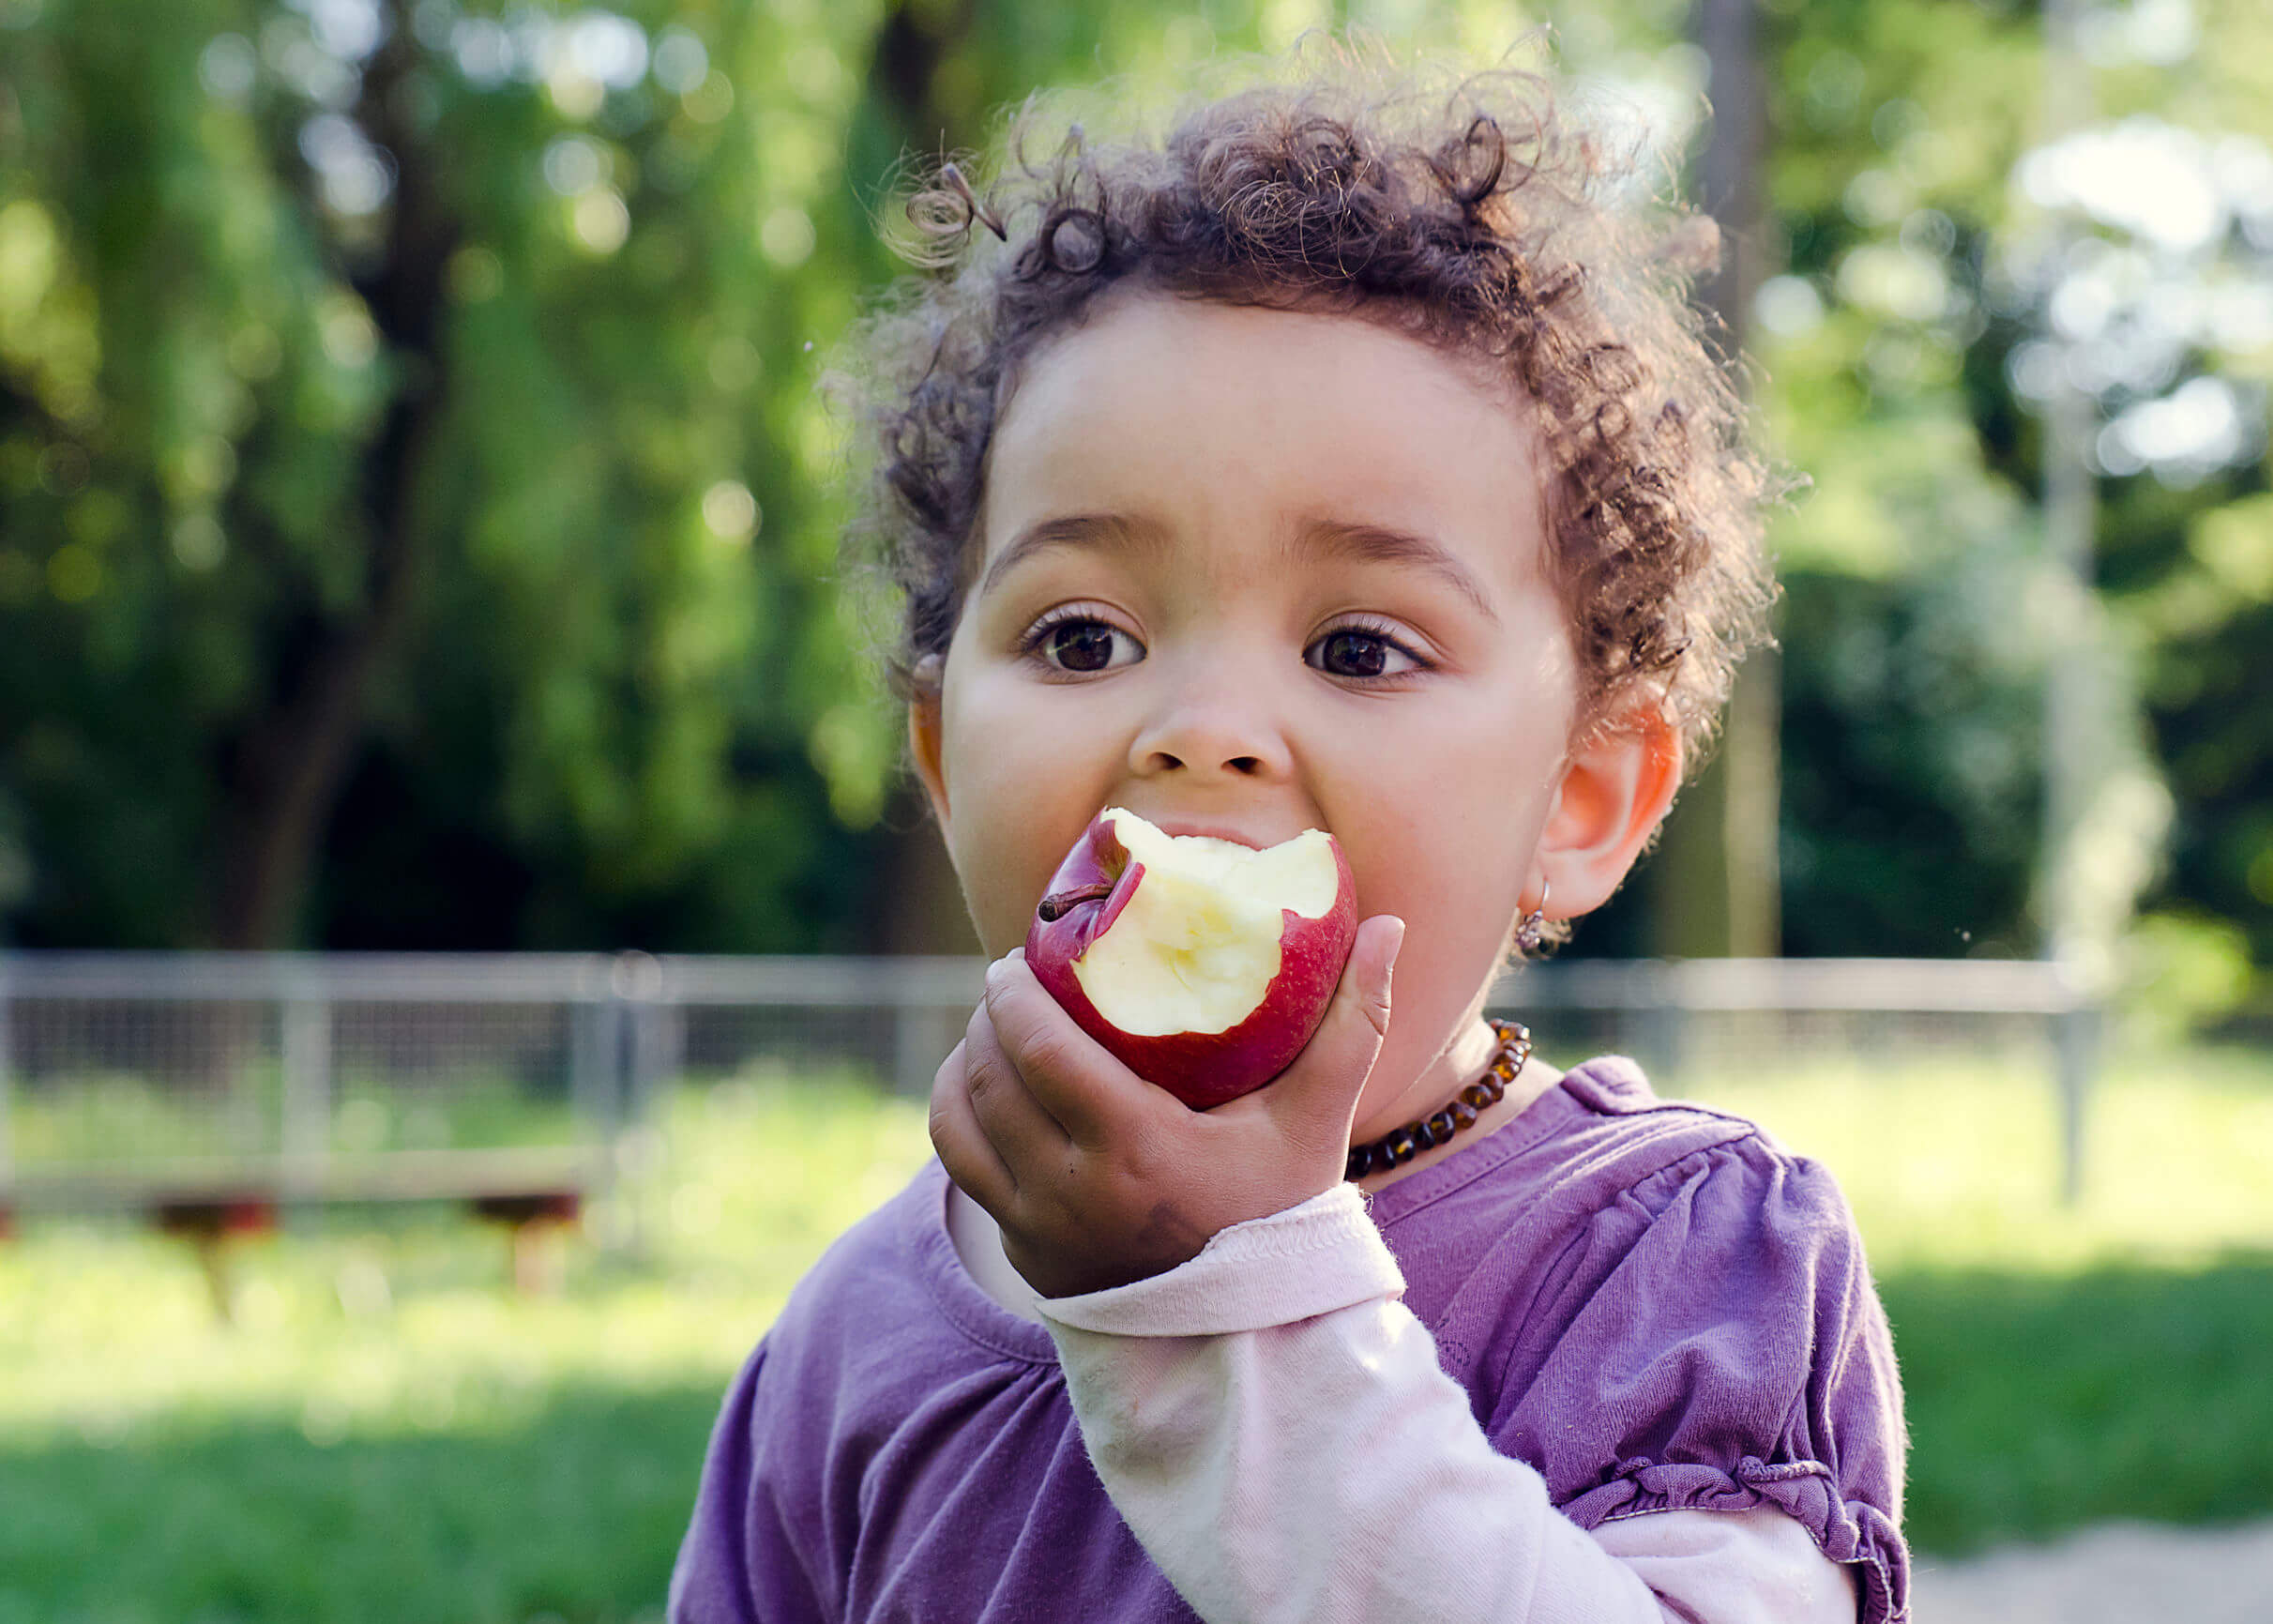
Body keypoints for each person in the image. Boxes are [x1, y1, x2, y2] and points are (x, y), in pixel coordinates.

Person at [671, 42, 1908, 1624]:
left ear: (1581, 802)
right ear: (940, 753)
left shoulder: (1678, 1265)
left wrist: (1227, 1299)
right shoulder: (853, 1338)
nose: (1200, 727)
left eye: (1358, 649)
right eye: (1080, 638)